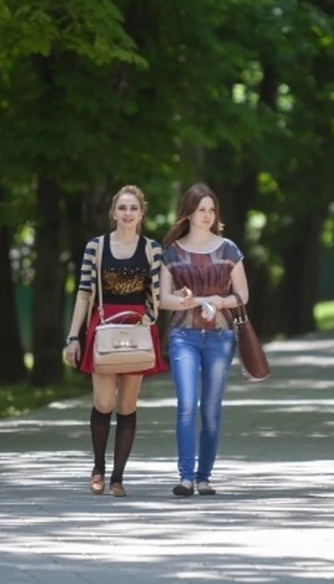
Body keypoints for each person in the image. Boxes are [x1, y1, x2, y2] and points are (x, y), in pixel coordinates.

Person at [63, 184, 167, 498]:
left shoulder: (152, 249)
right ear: (113, 212)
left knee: (126, 405)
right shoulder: (96, 247)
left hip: (138, 326)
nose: (127, 213)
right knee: (103, 402)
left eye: (133, 208)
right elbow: (83, 294)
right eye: (122, 208)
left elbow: (157, 296)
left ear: (141, 213)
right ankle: (98, 467)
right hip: (104, 325)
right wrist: (73, 336)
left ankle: (118, 478)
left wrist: (148, 320)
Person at [158, 183, 249, 497]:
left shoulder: (229, 250)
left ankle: (204, 477)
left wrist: (219, 301)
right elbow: (162, 299)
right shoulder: (171, 252)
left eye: (212, 210)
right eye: (201, 210)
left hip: (220, 337)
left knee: (211, 409)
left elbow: (243, 295)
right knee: (186, 405)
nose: (207, 215)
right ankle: (185, 477)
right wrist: (189, 302)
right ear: (188, 212)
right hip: (183, 336)